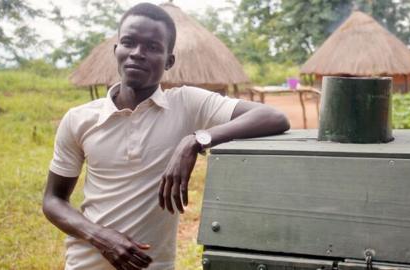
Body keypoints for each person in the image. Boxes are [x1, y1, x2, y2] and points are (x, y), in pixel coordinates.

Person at [42, 3, 290, 270]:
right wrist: (100, 237)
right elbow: (53, 200)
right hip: (85, 264)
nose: (138, 53)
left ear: (169, 60)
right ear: (117, 51)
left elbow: (273, 117)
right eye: (129, 42)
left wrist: (195, 140)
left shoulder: (186, 103)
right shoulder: (79, 119)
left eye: (152, 47)